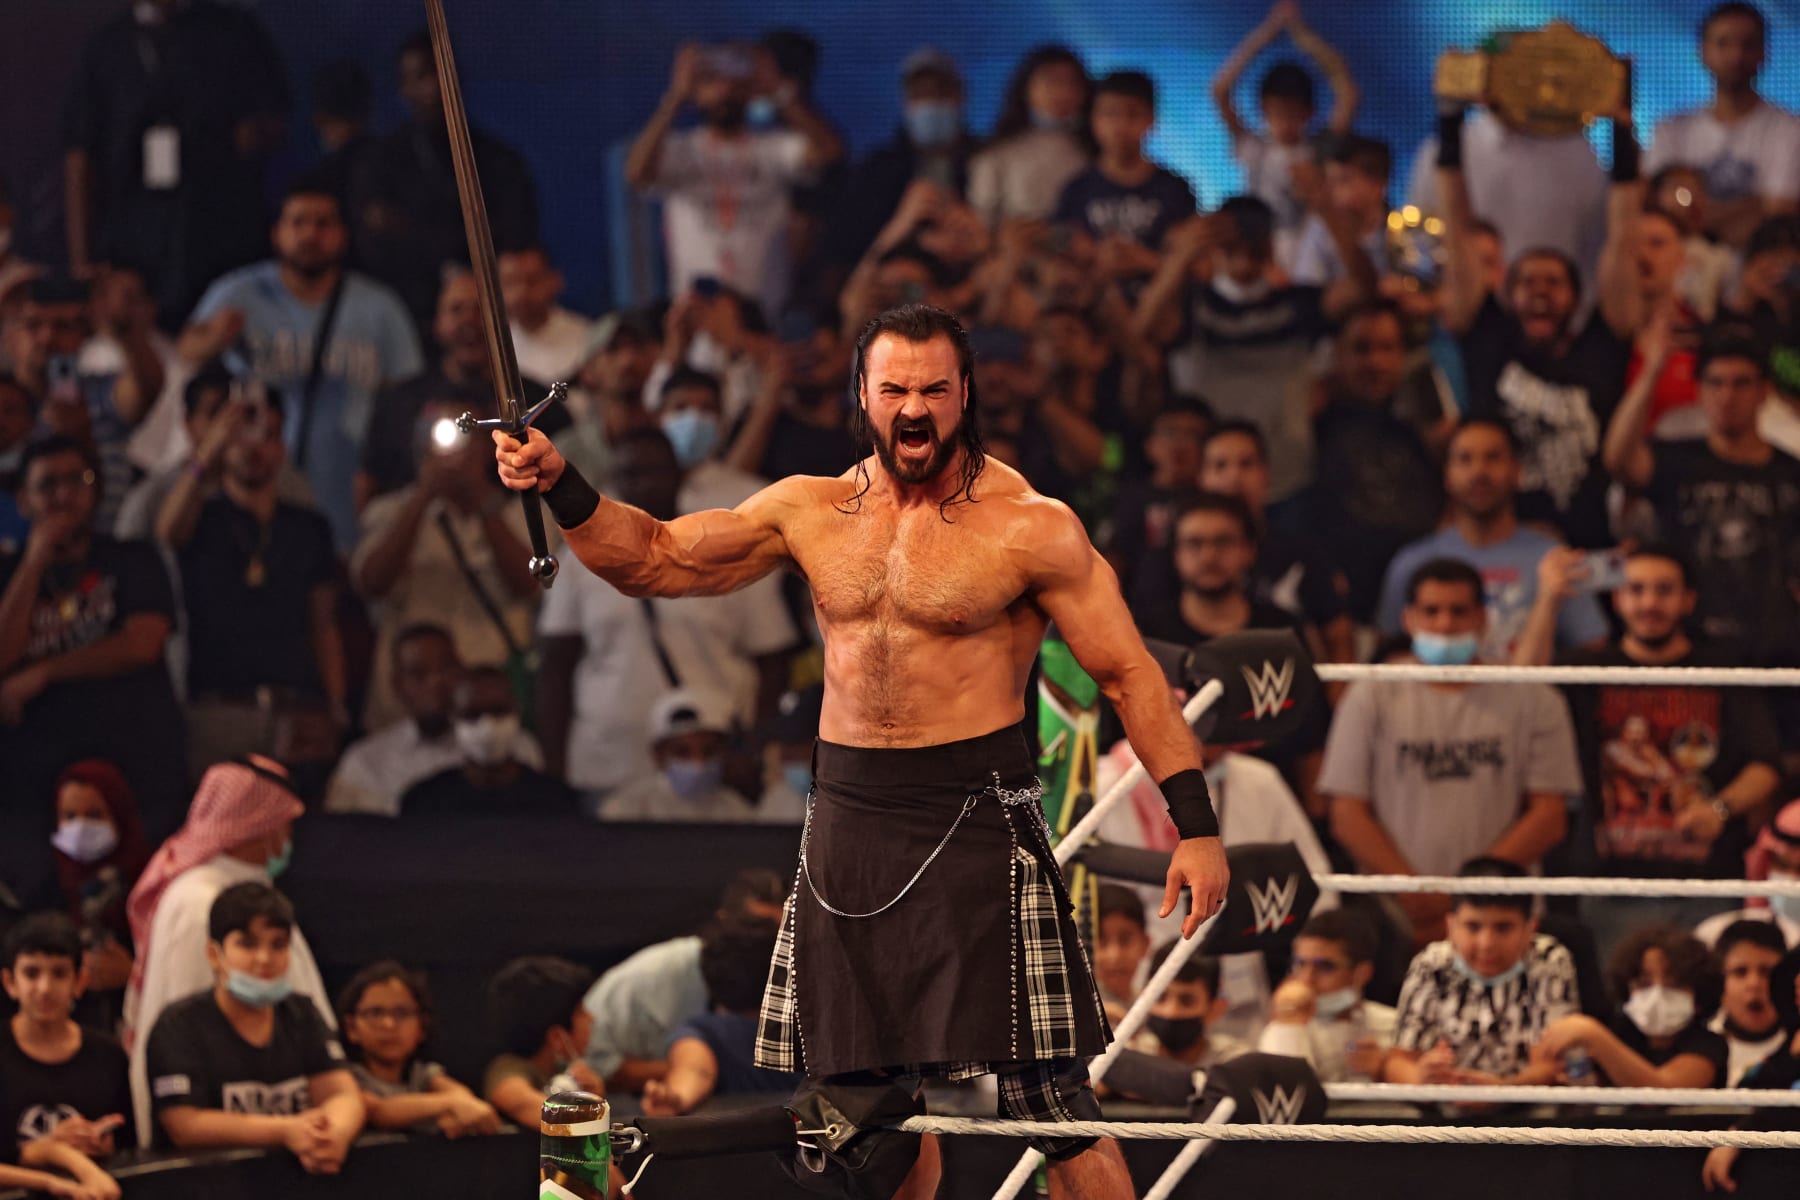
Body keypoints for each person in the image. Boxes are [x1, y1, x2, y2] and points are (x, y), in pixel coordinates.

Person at [494, 302, 1230, 1193]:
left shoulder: (1032, 525)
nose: (913, 408)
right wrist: (561, 482)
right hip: (849, 817)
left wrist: (1195, 826)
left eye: (933, 389)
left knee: (1053, 1105)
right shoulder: (809, 509)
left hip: (975, 814)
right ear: (863, 394)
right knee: (870, 1112)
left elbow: (1129, 675)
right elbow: (656, 557)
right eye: (895, 389)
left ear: (965, 394)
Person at [1321, 558, 1580, 946]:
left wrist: (1469, 895)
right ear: (1408, 619)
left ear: (1483, 619)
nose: (1444, 624)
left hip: (1501, 919)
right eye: (1431, 611)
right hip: (1394, 917)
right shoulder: (1370, 692)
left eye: (1458, 611)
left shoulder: (1534, 698)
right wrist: (1413, 893)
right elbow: (1346, 814)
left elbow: (1549, 816)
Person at [535, 428, 795, 800]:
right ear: (614, 483)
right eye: (630, 474)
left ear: (679, 475)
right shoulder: (579, 560)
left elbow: (772, 659)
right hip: (610, 763)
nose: (644, 483)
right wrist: (553, 767)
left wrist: (754, 746)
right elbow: (556, 666)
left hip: (710, 763)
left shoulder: (725, 548)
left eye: (655, 471)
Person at [1550, 546, 1782, 948]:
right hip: (1609, 884)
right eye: (1637, 590)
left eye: (1664, 590)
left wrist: (1719, 808)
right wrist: (1547, 600)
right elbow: (1521, 690)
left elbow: (1765, 764)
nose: (1650, 603)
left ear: (1688, 600)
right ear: (1618, 598)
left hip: (1706, 882)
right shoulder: (1585, 670)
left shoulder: (1724, 669)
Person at [176, 182, 422, 550]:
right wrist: (215, 339)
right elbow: (186, 353)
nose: (309, 235)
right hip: (260, 485)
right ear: (277, 233)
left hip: (349, 489)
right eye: (298, 223)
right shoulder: (239, 293)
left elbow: (408, 396)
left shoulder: (380, 307)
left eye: (323, 224)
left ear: (342, 235)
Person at [1434, 102, 1635, 549]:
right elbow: (1457, 230)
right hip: (1499, 546)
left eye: (1554, 282)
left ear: (1577, 299)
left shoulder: (1601, 348)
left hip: (1586, 546)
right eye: (1527, 282)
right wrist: (1450, 124)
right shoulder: (1489, 340)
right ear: (1508, 295)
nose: (1540, 292)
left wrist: (1622, 138)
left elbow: (1623, 240)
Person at [0, 435, 185, 891]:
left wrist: (44, 673)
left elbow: (142, 643)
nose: (64, 495)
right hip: (36, 788)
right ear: (23, 500)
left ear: (96, 490)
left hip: (137, 772)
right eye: (48, 485)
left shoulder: (134, 559)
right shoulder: (8, 575)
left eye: (77, 480)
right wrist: (33, 562)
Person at [124, 758, 332, 1146]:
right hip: (225, 1121)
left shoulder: (245, 889)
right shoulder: (199, 901)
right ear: (260, 825)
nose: (288, 837)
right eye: (285, 823)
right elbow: (190, 1022)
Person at [1135, 193, 1375, 508]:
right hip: (1207, 482)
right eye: (1232, 249)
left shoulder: (1297, 305)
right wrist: (1182, 256)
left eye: (1254, 250)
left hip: (1287, 479)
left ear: (1270, 248)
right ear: (1215, 249)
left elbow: (1362, 287)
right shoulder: (1193, 305)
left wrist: (1325, 208)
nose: (1243, 262)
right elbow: (1141, 330)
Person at [62, 0, 290, 326]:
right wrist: (81, 259)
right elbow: (79, 155)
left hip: (221, 222)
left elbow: (277, 118)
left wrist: (250, 136)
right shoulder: (105, 46)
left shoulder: (235, 32)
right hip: (135, 232)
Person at [154, 389, 345, 770]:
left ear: (282, 447)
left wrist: (336, 705)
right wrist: (208, 452)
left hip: (296, 706)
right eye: (243, 434)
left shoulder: (309, 526)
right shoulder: (202, 518)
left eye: (269, 434)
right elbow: (167, 532)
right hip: (219, 710)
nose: (255, 447)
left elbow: (323, 625)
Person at [1604, 325, 1800, 664]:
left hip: (1776, 648)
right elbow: (1617, 460)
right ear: (1698, 390)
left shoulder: (1791, 472)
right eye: (1715, 383)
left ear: (1765, 391)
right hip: (1690, 650)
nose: (1727, 396)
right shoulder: (1674, 460)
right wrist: (1652, 371)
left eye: (1741, 383)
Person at [351, 397, 538, 732]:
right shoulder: (389, 513)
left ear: (489, 446)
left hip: (489, 708)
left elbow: (530, 584)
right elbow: (372, 583)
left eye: (468, 433)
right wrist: (424, 496)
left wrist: (481, 501)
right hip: (407, 710)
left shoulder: (523, 515)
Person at [144, 883, 364, 1166]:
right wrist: (286, 1131)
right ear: (214, 954)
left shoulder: (302, 1013)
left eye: (278, 945)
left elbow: (343, 1095)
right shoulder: (178, 1026)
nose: (264, 959)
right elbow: (184, 1124)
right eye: (248, 944)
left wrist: (334, 1135)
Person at [625, 42, 841, 324]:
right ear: (696, 92)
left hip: (765, 317)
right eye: (711, 81)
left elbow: (829, 152)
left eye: (734, 82)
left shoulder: (772, 148)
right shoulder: (682, 151)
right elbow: (636, 172)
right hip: (695, 315)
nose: (724, 91)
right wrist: (676, 96)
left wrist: (777, 90)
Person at [347, 30, 539, 332]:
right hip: (405, 318)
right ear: (402, 89)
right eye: (421, 76)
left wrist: (409, 230)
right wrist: (459, 241)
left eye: (440, 73)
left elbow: (514, 241)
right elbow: (375, 247)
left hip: (490, 318)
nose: (434, 87)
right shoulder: (379, 162)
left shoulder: (500, 161)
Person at [1376, 419, 1610, 664]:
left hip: (1531, 688)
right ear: (1447, 474)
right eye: (1465, 459)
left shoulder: (1552, 559)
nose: (1479, 472)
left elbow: (1592, 653)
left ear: (1517, 471)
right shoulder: (1411, 561)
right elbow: (1387, 656)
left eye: (1493, 457)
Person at [357, 268, 566, 504]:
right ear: (438, 323)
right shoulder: (399, 403)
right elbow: (368, 488)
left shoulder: (536, 403)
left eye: (480, 309)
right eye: (456, 309)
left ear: (503, 322)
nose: (469, 320)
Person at [580, 870, 787, 1095]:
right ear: (724, 920)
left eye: (785, 932)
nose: (775, 943)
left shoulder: (793, 975)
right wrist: (692, 1067)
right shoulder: (653, 975)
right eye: (757, 926)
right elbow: (589, 1053)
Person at [1304, 301, 1447, 622]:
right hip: (1340, 602)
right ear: (1337, 354)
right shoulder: (1311, 422)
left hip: (1425, 597)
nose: (1375, 362)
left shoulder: (1424, 421)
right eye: (1361, 348)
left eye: (1387, 348)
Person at [1384, 858, 1579, 1086]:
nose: (1486, 943)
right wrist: (1420, 1078)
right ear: (1451, 927)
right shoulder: (1431, 964)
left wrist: (1502, 1090)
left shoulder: (1550, 960)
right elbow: (1398, 1061)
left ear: (1530, 929)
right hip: (1443, 1104)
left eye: (1503, 928)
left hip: (1526, 1106)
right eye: (1473, 927)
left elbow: (1551, 1067)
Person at [4, 275, 161, 538]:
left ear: (83, 337)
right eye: (33, 325)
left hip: (106, 546)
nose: (47, 337)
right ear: (9, 337)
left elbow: (146, 387)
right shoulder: (4, 403)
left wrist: (126, 332)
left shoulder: (100, 392)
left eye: (63, 326)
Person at [324, 624, 535, 817]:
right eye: (418, 674)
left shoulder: (515, 747)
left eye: (445, 668)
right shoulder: (365, 763)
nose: (436, 682)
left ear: (462, 671)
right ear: (397, 686)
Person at [1212, 1, 1360, 268]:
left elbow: (1348, 93)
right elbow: (1220, 90)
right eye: (1277, 112)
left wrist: (1303, 37)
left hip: (1308, 257)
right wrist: (1267, 33)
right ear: (1263, 109)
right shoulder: (1253, 146)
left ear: (1309, 113)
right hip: (1257, 255)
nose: (1285, 122)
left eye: (1293, 113)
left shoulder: (1318, 149)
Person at [1645, 3, 1800, 248]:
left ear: (1764, 53)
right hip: (1680, 268)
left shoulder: (1789, 129)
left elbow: (1778, 214)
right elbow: (1658, 212)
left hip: (1756, 266)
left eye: (1748, 44)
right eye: (1723, 43)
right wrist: (1753, 205)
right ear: (1703, 52)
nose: (1736, 56)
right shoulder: (1670, 131)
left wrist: (1694, 217)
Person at [0, 914, 129, 1200]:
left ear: (80, 981)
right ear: (10, 982)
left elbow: (130, 1145)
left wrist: (101, 1143)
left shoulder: (108, 1056)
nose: (45, 988)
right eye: (31, 973)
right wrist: (50, 1151)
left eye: (59, 974)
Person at [827, 48, 980, 270]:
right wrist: (903, 226)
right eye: (919, 95)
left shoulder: (988, 161)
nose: (931, 103)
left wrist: (973, 231)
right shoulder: (877, 170)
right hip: (892, 285)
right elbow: (847, 250)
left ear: (961, 96)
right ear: (906, 103)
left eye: (940, 93)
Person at [1533, 924, 1728, 1089]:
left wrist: (1594, 1036)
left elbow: (1663, 1091)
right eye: (1644, 984)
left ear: (1699, 995)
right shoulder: (1620, 1031)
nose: (1657, 995)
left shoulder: (1709, 1045)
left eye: (1674, 985)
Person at [641, 917, 800, 1115]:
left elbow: (695, 1071)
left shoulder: (703, 1032)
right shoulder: (812, 1028)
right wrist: (676, 1097)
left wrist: (674, 1099)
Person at [1051, 71, 1196, 272]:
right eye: (1110, 114)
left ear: (1152, 120)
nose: (1121, 125)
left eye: (1133, 114)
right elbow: (1057, 264)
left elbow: (1198, 267)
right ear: (1093, 120)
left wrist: (1145, 260)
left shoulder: (1175, 190)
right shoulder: (1076, 190)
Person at [337, 961, 499, 1137]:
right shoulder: (346, 1078)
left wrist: (460, 1112)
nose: (388, 1024)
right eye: (375, 1013)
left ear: (422, 1026)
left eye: (402, 1013)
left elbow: (462, 1096)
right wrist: (450, 1105)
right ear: (351, 1028)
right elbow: (379, 1110)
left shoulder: (423, 1075)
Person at [1132, 491, 1308, 647]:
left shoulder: (1282, 632)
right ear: (1176, 553)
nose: (1209, 556)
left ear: (1249, 550)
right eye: (1194, 543)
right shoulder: (1148, 637)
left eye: (1223, 542)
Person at [399, 666, 573, 816]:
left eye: (498, 712)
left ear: (517, 712)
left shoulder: (556, 801)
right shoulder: (424, 802)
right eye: (472, 715)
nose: (487, 728)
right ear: (453, 718)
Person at [47, 761, 150, 1007]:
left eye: (94, 815)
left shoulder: (147, 885)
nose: (81, 827)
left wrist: (133, 974)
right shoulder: (43, 886)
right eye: (70, 816)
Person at [1257, 909, 1397, 1083]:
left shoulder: (1393, 1026)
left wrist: (1385, 1071)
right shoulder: (1283, 1026)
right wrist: (1288, 1027)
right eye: (1300, 964)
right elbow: (1287, 1092)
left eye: (1325, 967)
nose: (1307, 979)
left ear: (1362, 973)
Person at [601, 690, 772, 823]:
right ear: (658, 755)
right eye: (682, 752)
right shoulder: (626, 809)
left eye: (708, 751)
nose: (698, 762)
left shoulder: (736, 811)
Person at [967, 46, 1092, 228]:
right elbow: (980, 220)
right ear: (1026, 87)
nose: (1062, 92)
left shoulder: (1095, 149)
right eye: (1051, 81)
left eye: (1071, 83)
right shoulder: (998, 152)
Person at [1109, 396, 1211, 611]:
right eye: (1170, 433)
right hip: (1139, 614)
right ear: (1149, 445)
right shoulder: (1129, 499)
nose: (1180, 444)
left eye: (1192, 435)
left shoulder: (1214, 501)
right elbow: (1113, 560)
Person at [482, 956, 603, 1126]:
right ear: (557, 1038)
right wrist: (585, 1116)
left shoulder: (566, 1071)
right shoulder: (509, 1065)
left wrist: (594, 1099)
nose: (592, 1019)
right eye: (582, 1013)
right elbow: (513, 1097)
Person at [1291, 135, 1391, 290]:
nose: (1331, 191)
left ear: (1378, 184)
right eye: (1329, 181)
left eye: (1343, 180)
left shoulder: (1402, 231)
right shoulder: (1320, 226)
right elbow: (1307, 288)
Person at [1132, 944, 1249, 1069]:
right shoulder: (1130, 1055)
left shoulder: (1235, 1064)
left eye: (1187, 1001)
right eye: (1160, 998)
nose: (1171, 1011)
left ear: (1215, 1008)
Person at [1708, 920, 1789, 1085]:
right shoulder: (1699, 1052)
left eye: (1767, 972)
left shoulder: (1795, 1048)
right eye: (1740, 972)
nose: (1754, 984)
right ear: (1719, 981)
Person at [499, 246, 592, 387]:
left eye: (532, 281)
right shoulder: (496, 347)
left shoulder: (587, 337)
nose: (521, 292)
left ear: (554, 280)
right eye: (511, 283)